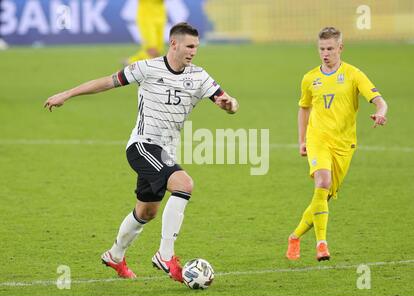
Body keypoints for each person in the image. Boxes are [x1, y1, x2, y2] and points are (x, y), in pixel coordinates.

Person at [44, 22, 239, 282]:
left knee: (146, 211)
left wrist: (230, 105)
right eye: (189, 46)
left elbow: (228, 102)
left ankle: (114, 256)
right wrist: (67, 94)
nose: (193, 51)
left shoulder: (199, 76)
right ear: (174, 44)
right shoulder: (147, 68)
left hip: (165, 151)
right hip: (143, 146)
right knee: (184, 184)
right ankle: (165, 255)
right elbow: (107, 82)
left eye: (196, 47)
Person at [286, 27, 388, 261]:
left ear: (340, 48)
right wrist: (302, 140)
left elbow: (380, 101)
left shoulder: (353, 74)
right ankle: (322, 244)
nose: (325, 53)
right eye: (321, 49)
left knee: (323, 198)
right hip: (318, 139)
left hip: (344, 145)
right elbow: (304, 109)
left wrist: (380, 112)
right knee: (323, 181)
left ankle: (295, 236)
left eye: (330, 48)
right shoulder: (310, 78)